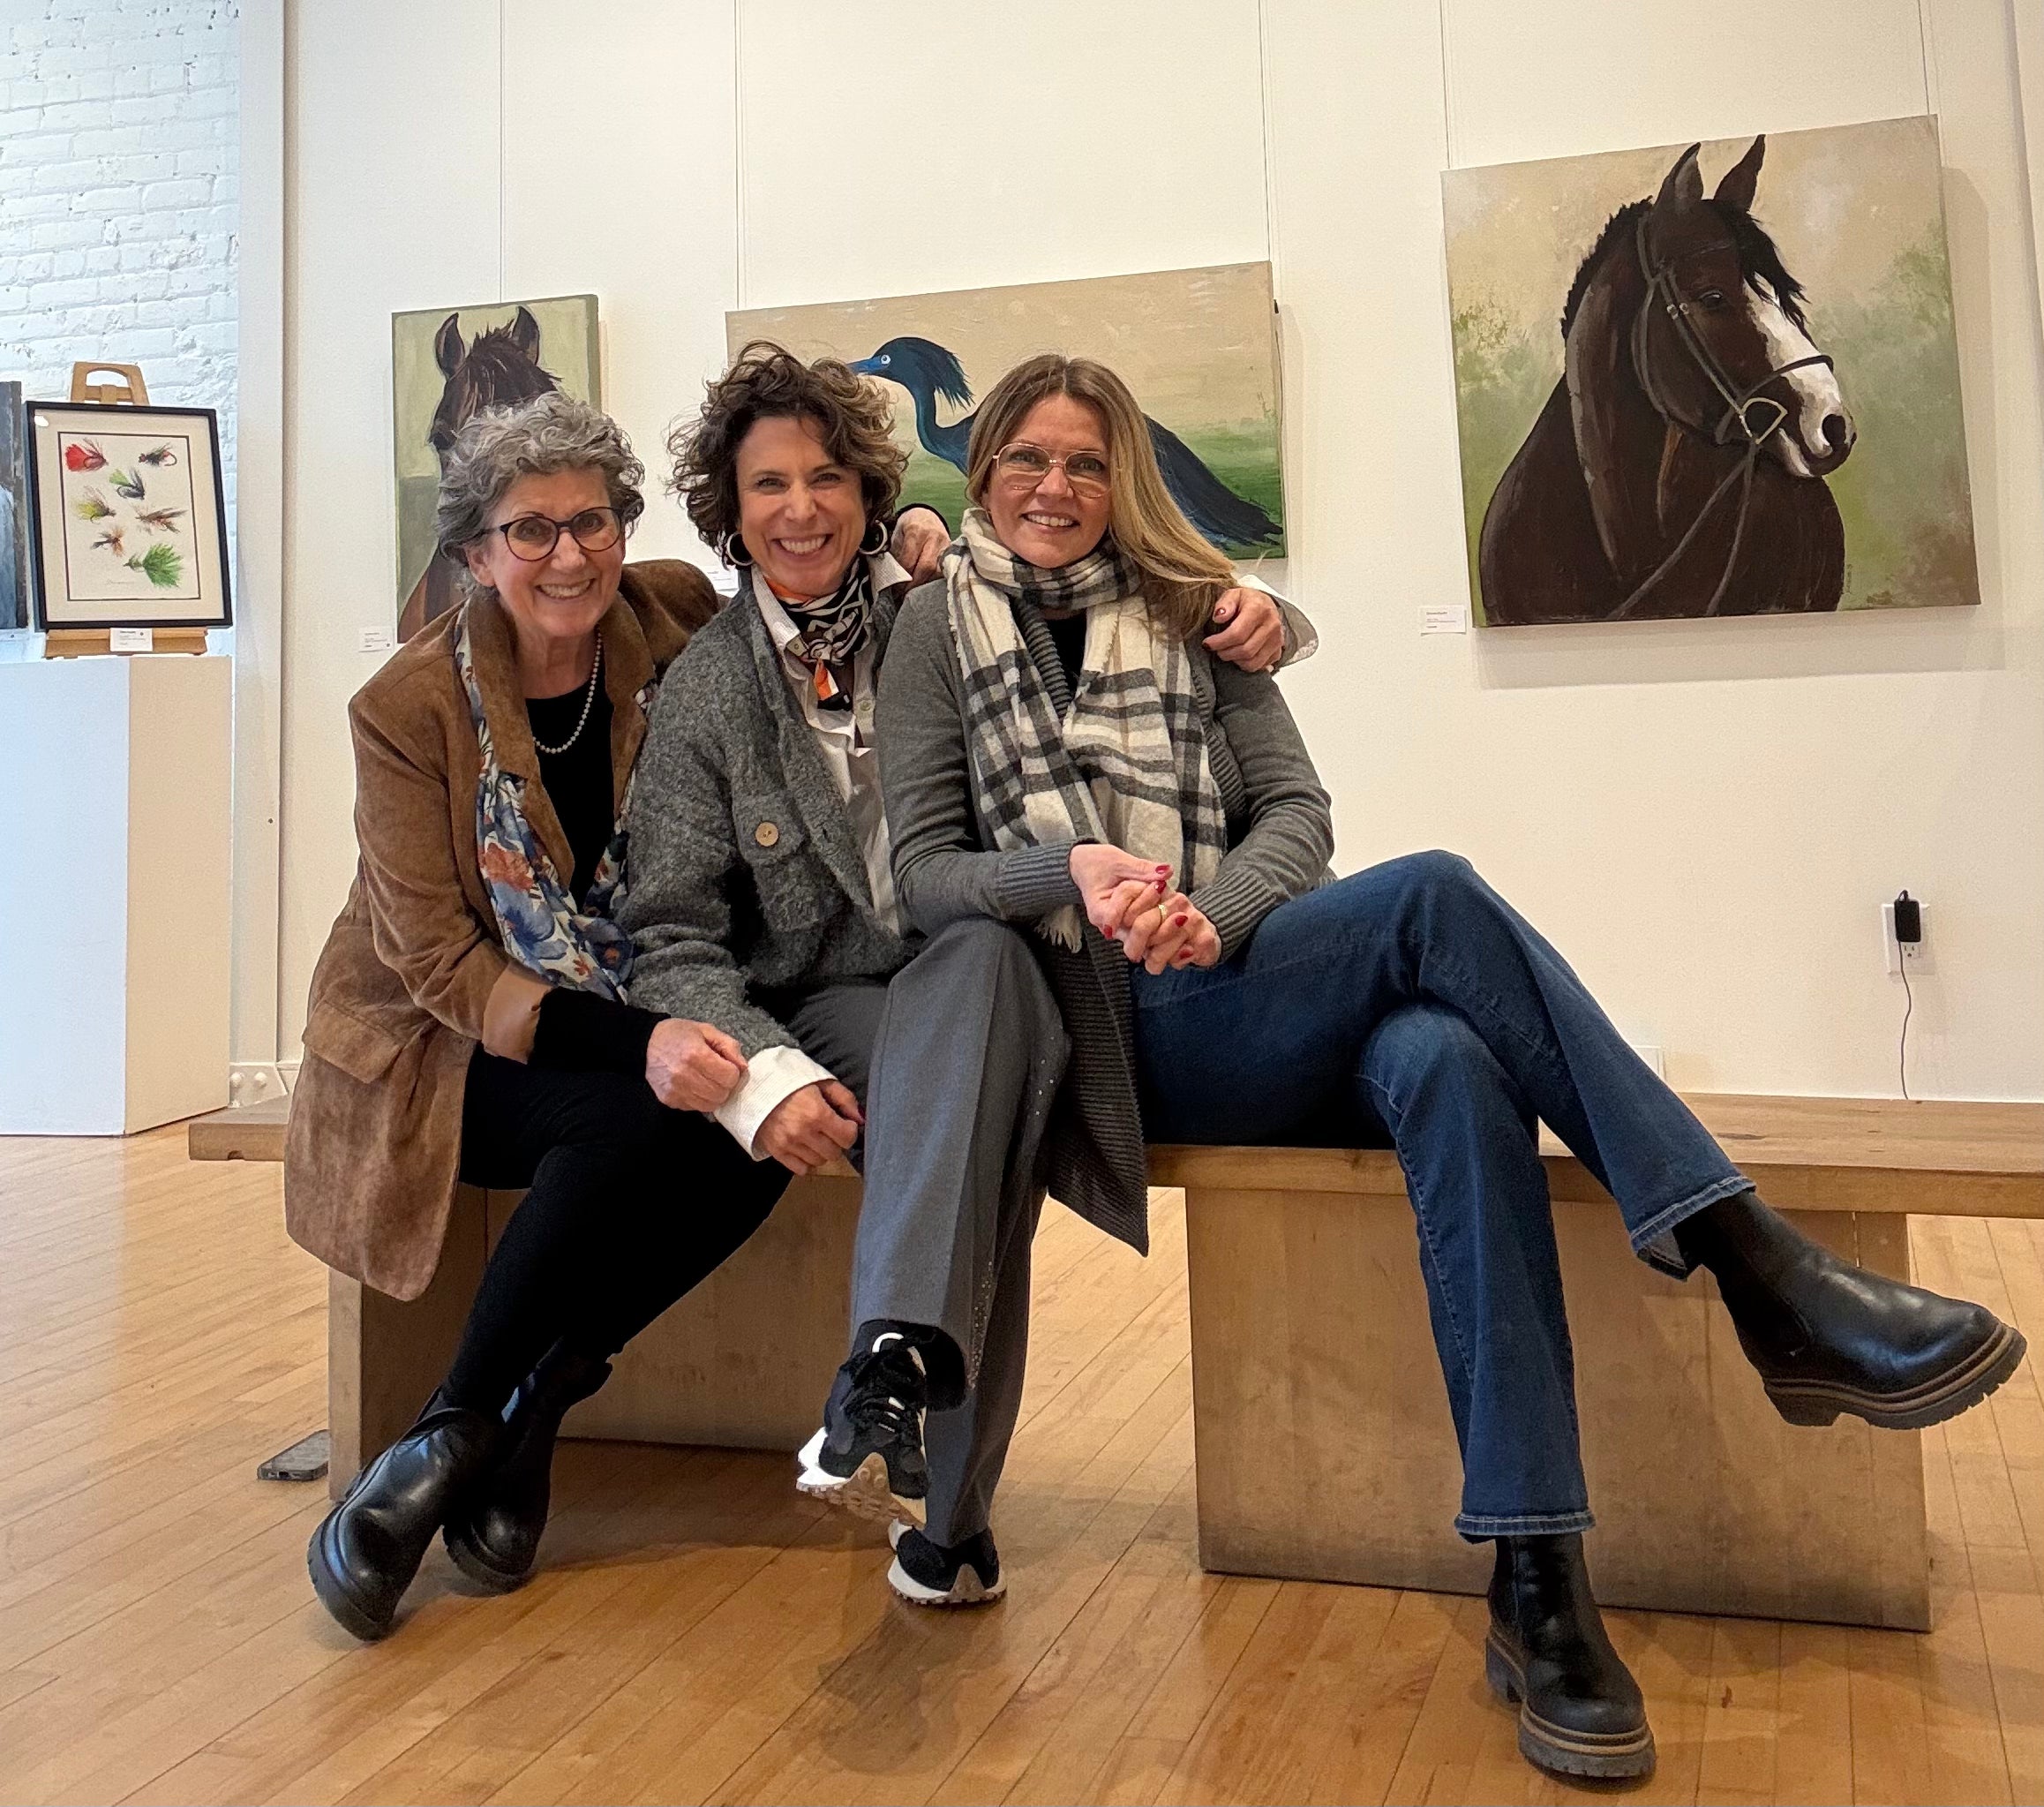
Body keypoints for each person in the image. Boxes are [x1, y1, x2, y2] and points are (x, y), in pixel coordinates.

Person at [871, 353, 2026, 1779]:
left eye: (1088, 463)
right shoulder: (932, 630)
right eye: (1029, 459)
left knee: (1453, 1060)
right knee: (1432, 893)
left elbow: (1298, 814)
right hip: (1110, 1031)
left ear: (1126, 482)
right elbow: (926, 875)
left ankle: (1539, 1577)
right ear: (982, 468)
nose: (1056, 487)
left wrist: (1213, 914)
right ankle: (1757, 1268)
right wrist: (1079, 877)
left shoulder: (1194, 614)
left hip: (1236, 978)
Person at [618, 341, 1309, 1607]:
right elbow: (668, 934)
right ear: (730, 508)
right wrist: (759, 1073)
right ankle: (945, 1504)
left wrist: (1261, 608)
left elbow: (1123, 606)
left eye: (828, 479)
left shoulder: (945, 604)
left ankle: (905, 1411)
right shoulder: (705, 693)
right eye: (769, 484)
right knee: (969, 1073)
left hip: (1015, 962)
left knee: (983, 1001)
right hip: (843, 997)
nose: (802, 509)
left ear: (873, 494)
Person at [283, 391, 936, 1641]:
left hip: (635, 998)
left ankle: (532, 1410)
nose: (568, 555)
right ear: (475, 553)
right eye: (529, 531)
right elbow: (443, 966)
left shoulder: (673, 615)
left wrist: (912, 533)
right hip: (439, 1048)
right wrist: (647, 1043)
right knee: (643, 1112)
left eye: (591, 522)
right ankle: (453, 1431)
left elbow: (808, 568)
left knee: (758, 1110)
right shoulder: (406, 709)